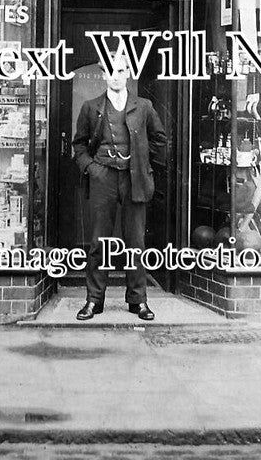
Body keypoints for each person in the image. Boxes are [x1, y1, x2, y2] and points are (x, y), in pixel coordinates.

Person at [72, 54, 167, 321]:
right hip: (103, 179)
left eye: (121, 70)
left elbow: (160, 141)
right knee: (99, 241)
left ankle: (138, 301)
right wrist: (93, 169)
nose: (115, 75)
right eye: (110, 71)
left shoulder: (144, 106)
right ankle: (94, 300)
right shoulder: (91, 107)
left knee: (135, 241)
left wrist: (147, 169)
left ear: (128, 73)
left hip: (134, 179)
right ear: (103, 74)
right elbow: (79, 145)